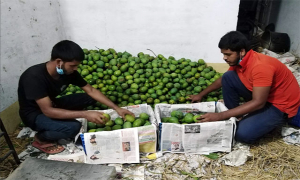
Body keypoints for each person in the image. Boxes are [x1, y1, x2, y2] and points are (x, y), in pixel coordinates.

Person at [18, 40, 134, 153]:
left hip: (53, 104)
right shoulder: (34, 77)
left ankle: (62, 121)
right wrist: (85, 114)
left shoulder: (68, 72)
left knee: (89, 97)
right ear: (59, 61)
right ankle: (41, 138)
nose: (76, 69)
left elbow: (91, 90)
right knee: (73, 127)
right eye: (73, 65)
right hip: (35, 114)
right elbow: (48, 111)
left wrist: (116, 108)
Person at [190, 31, 300, 144]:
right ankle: (236, 115)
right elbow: (222, 80)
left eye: (228, 54)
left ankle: (270, 120)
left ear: (241, 51)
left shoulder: (260, 66)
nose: (224, 58)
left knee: (242, 134)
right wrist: (200, 94)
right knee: (228, 76)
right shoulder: (241, 60)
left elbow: (259, 102)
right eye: (223, 54)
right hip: (263, 96)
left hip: (279, 105)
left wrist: (220, 115)